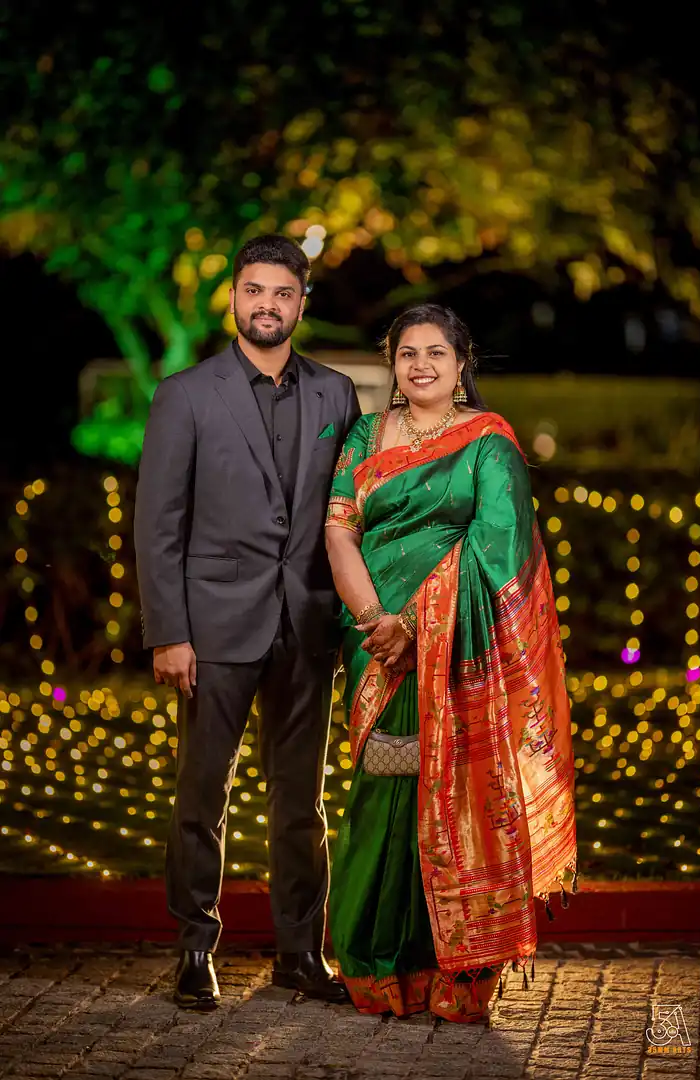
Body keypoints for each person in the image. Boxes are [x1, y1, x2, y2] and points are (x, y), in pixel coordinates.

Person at [325, 303, 577, 1022]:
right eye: (408, 353)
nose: (422, 365)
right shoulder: (365, 434)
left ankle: (457, 970)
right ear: (392, 362)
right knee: (382, 793)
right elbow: (339, 531)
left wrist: (420, 623)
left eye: (436, 352)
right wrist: (377, 622)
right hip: (373, 641)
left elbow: (499, 545)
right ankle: (376, 964)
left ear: (461, 362)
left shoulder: (488, 442)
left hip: (460, 651)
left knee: (461, 796)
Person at [134, 234, 361, 1009]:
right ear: (233, 297)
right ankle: (196, 949)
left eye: (283, 293)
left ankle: (301, 954)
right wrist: (169, 632)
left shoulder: (336, 394)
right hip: (212, 631)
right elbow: (158, 524)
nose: (268, 305)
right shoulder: (185, 394)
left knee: (302, 804)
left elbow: (347, 512)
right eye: (254, 291)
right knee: (201, 797)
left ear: (302, 302)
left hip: (309, 625)